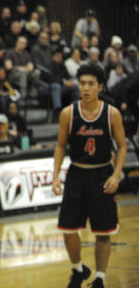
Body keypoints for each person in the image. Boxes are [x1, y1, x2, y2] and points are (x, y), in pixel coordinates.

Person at [52, 64, 127, 288]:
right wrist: (55, 176)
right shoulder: (68, 113)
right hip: (76, 174)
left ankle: (100, 279)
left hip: (102, 174)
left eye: (91, 84)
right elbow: (60, 145)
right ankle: (78, 269)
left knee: (103, 232)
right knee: (67, 230)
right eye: (82, 83)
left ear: (100, 87)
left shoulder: (111, 114)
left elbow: (122, 147)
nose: (85, 88)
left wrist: (116, 175)